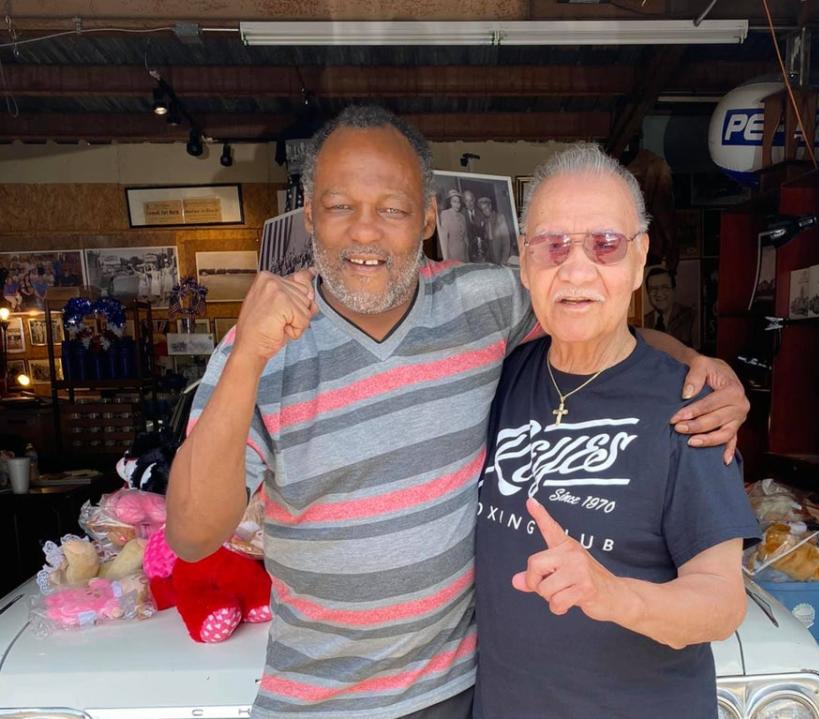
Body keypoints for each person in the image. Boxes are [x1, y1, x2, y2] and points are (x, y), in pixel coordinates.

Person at [167, 105, 750, 719]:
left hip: (453, 695)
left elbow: (585, 315)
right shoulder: (262, 346)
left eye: (391, 208)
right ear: (309, 214)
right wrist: (246, 357)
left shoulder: (484, 306)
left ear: (424, 219)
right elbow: (192, 533)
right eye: (341, 206)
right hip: (316, 701)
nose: (365, 231)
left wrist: (699, 364)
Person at [474, 145, 759, 719]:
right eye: (553, 246)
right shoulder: (497, 381)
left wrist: (612, 595)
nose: (576, 270)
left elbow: (722, 602)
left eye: (605, 244)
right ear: (526, 264)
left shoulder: (690, 406)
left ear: (638, 260)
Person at [644, 265, 695, 346]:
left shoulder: (690, 317)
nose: (659, 294)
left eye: (665, 288)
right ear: (648, 293)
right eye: (653, 289)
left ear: (674, 291)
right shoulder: (644, 321)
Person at [476, 197, 512, 264]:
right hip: (493, 259)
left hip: (502, 258)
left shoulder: (499, 217)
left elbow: (506, 242)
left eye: (486, 208)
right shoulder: (485, 221)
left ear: (490, 206)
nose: (485, 211)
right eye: (483, 209)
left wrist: (503, 261)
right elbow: (489, 243)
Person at [438, 189, 469, 262]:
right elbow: (444, 238)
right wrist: (446, 258)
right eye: (454, 201)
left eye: (458, 202)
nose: (457, 204)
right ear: (450, 203)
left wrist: (467, 255)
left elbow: (465, 237)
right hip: (452, 253)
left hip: (464, 253)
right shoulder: (445, 214)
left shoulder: (462, 216)